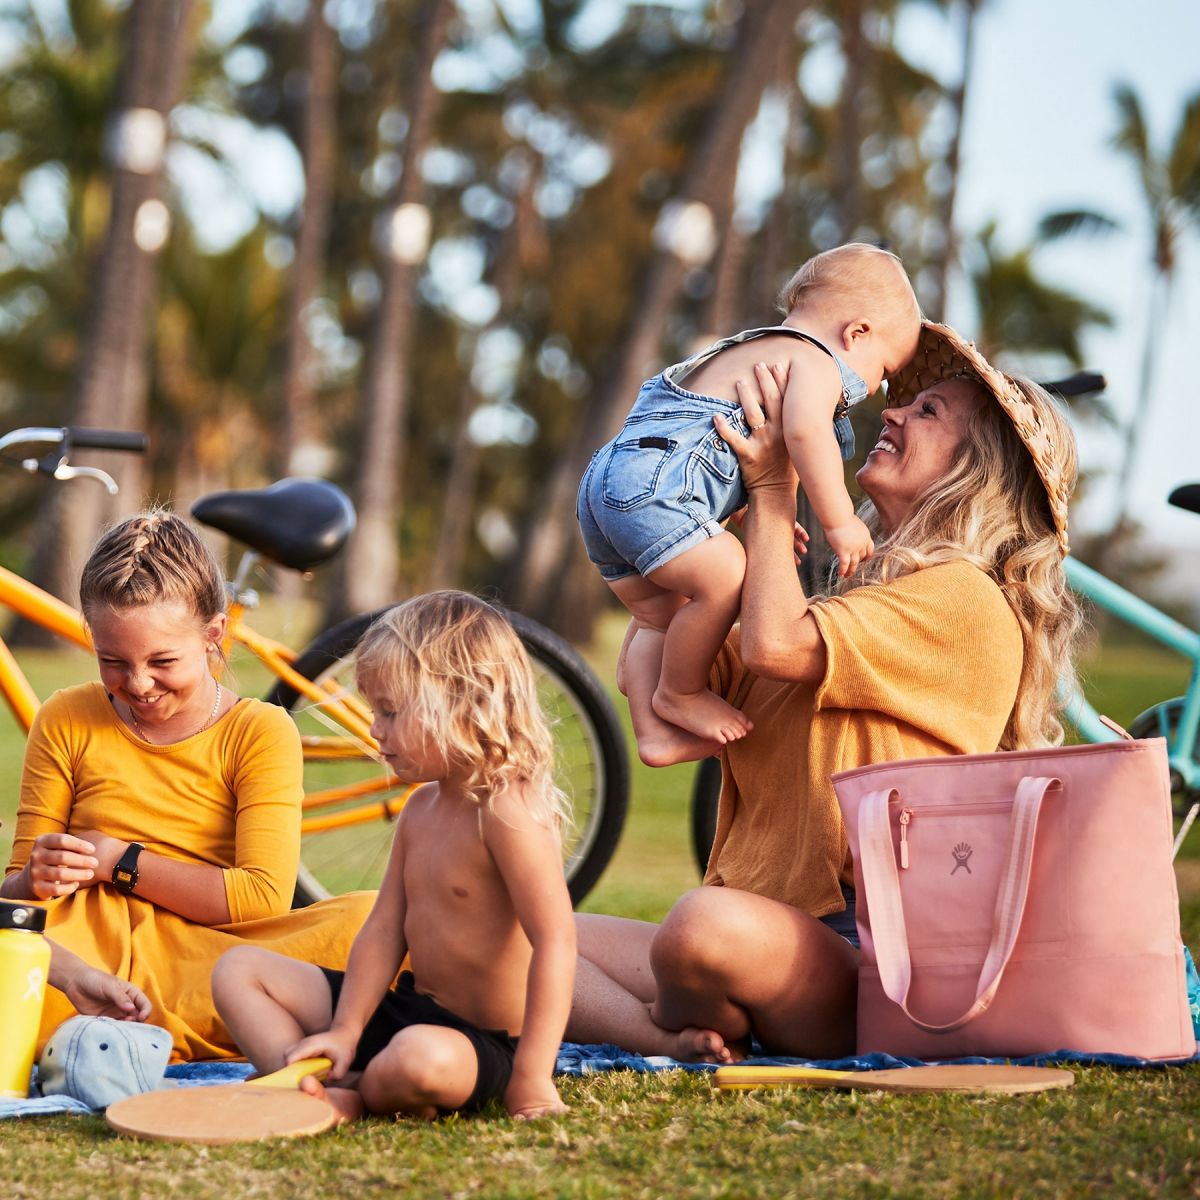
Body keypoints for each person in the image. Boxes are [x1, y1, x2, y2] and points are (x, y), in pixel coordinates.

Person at [567, 320, 1080, 1062]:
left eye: (928, 411)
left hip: (870, 964)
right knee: (520, 928)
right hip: (762, 936)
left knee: (698, 930)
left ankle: (672, 1011)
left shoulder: (965, 601)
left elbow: (774, 646)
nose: (893, 412)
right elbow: (649, 682)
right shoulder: (844, 606)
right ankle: (671, 1032)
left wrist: (775, 488)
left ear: (978, 472)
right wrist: (687, 533)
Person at [2, 511, 372, 1060]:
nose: (139, 683)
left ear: (213, 635)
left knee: (373, 922)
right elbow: (11, 903)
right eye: (113, 661)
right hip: (86, 953)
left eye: (162, 660)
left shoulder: (259, 730)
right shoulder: (67, 716)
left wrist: (118, 860)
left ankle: (111, 1036)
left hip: (215, 953)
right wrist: (35, 874)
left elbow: (260, 897)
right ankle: (110, 1026)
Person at [212, 591, 576, 1123]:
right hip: (405, 1008)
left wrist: (533, 1076)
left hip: (479, 1044)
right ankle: (315, 1074)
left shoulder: (507, 812)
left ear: (462, 702)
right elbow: (384, 930)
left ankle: (354, 1097)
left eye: (390, 711)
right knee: (237, 969)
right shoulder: (421, 807)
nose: (375, 729)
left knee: (419, 1060)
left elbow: (557, 942)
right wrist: (346, 1029)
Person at [577, 243, 922, 747]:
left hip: (608, 484)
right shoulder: (815, 360)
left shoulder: (743, 349)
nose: (878, 388)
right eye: (885, 372)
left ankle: (652, 734)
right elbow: (805, 433)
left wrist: (731, 503)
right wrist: (840, 519)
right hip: (650, 490)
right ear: (856, 333)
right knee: (726, 575)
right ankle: (679, 692)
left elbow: (699, 443)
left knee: (660, 615)